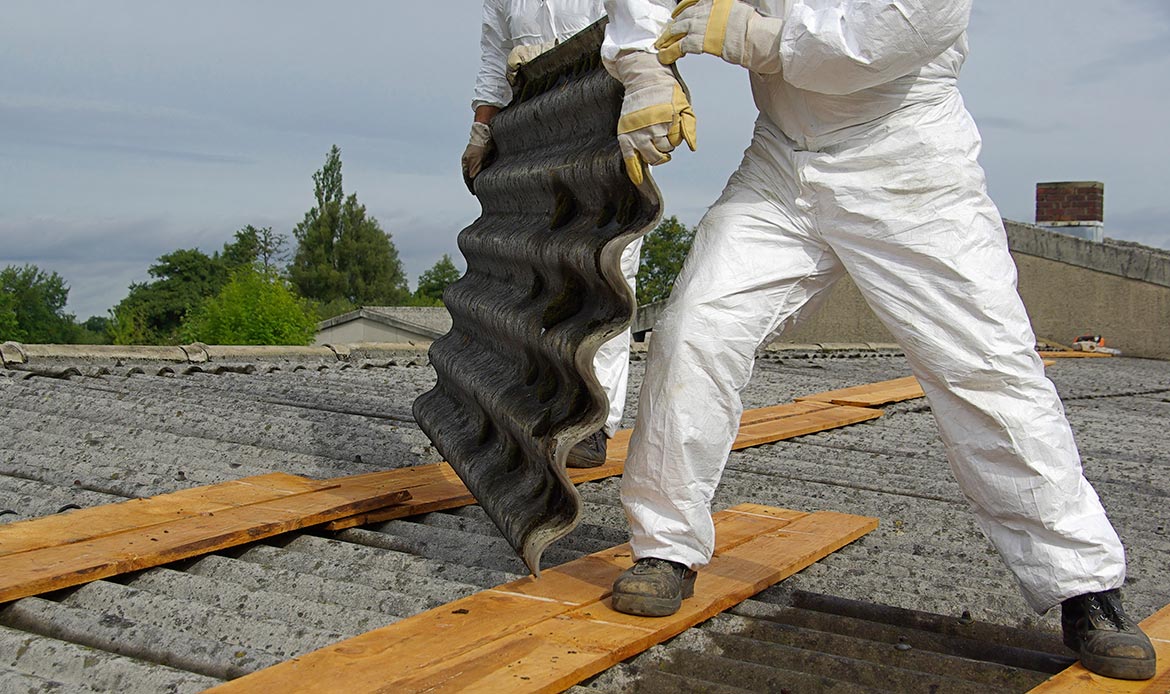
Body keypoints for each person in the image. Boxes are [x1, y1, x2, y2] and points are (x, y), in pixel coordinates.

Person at [600, 0, 1157, 681]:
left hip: (908, 162)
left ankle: (1084, 587)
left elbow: (872, 43)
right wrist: (644, 71)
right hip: (782, 161)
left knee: (985, 369)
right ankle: (665, 548)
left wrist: (746, 34)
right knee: (694, 331)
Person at [465, 0, 639, 468]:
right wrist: (482, 130)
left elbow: (645, 25)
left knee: (606, 268)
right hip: (536, 124)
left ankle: (595, 421)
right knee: (538, 269)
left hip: (605, 114)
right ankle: (541, 403)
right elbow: (493, 56)